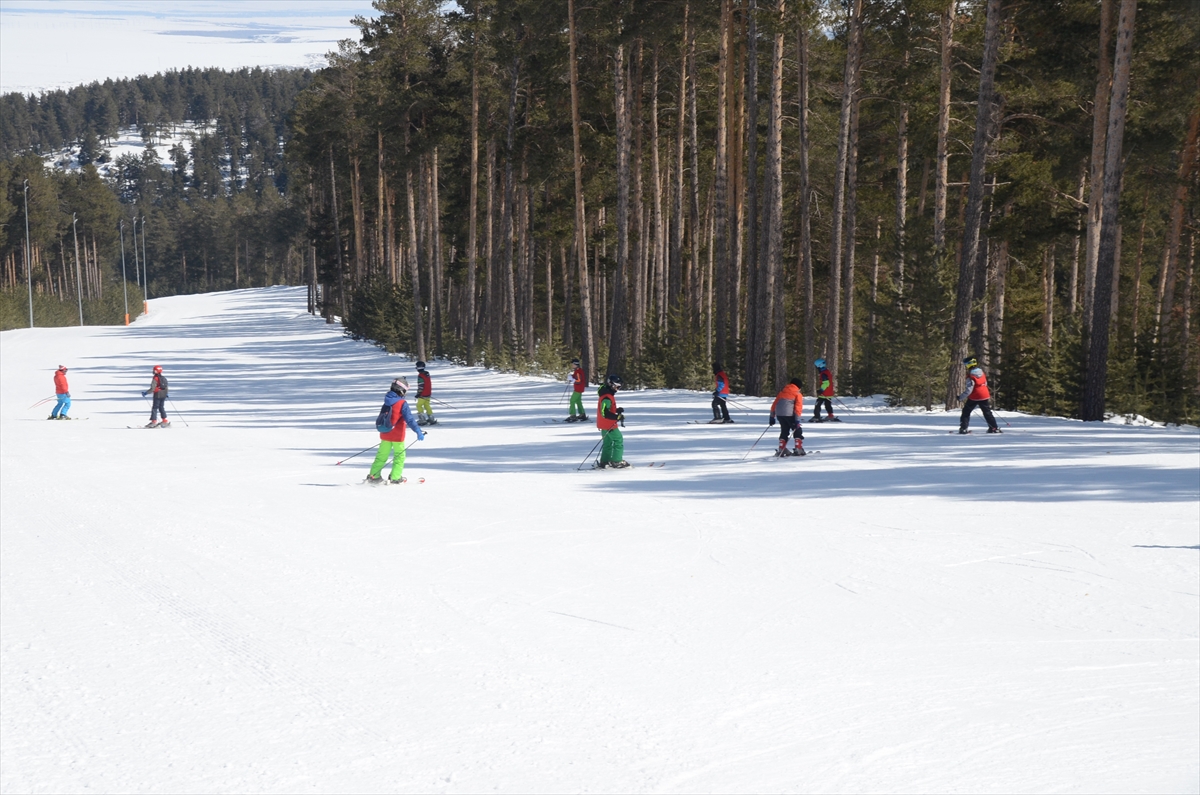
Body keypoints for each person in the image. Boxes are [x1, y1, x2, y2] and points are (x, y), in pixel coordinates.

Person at [368, 377, 426, 484]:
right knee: (399, 457)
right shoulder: (402, 403)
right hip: (397, 437)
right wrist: (418, 431)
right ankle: (395, 477)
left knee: (381, 456)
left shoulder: (387, 401)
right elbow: (410, 419)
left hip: (385, 434)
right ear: (401, 390)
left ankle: (373, 476)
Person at [957, 356, 1001, 434]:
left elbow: (969, 390)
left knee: (966, 412)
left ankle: (963, 428)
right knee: (987, 412)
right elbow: (985, 383)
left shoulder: (970, 376)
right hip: (984, 395)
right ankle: (994, 428)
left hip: (975, 396)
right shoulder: (981, 372)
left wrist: (960, 397)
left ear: (968, 365)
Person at [596, 373, 629, 469]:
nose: (617, 389)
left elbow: (608, 410)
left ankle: (605, 461)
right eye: (617, 387)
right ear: (612, 385)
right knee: (618, 440)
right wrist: (616, 417)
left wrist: (616, 411)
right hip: (609, 425)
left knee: (607, 443)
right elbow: (605, 412)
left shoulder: (606, 394)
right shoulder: (607, 397)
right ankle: (616, 461)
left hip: (604, 424)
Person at [769, 378, 807, 457]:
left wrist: (772, 417)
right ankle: (798, 448)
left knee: (784, 430)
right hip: (789, 415)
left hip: (780, 415)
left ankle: (782, 448)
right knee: (797, 430)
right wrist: (797, 420)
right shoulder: (797, 394)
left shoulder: (782, 392)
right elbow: (798, 408)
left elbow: (774, 404)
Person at [415, 360, 436, 425]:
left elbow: (421, 385)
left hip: (422, 394)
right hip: (428, 393)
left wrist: (419, 393)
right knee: (427, 405)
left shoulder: (420, 376)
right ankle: (431, 418)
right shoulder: (427, 374)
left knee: (419, 405)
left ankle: (422, 419)